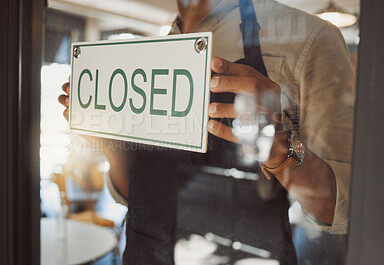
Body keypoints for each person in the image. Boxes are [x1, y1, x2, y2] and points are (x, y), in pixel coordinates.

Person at [58, 0, 355, 264]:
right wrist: (110, 142)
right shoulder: (147, 58)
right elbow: (134, 194)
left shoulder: (310, 39)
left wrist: (276, 147)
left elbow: (340, 211)